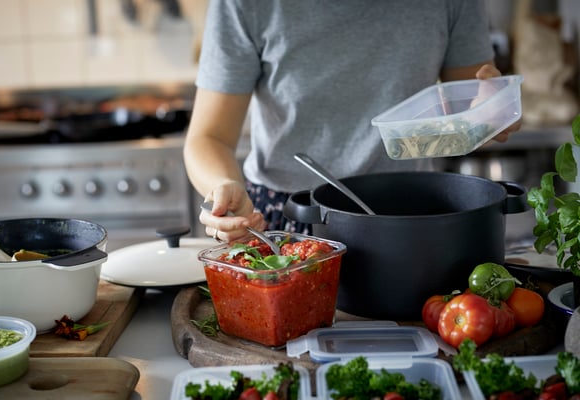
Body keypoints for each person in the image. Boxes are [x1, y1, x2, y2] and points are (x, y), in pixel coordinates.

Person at [183, 0, 522, 243]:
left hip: (408, 215)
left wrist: (487, 112)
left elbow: (467, 101)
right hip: (285, 216)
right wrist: (223, 187)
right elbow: (208, 137)